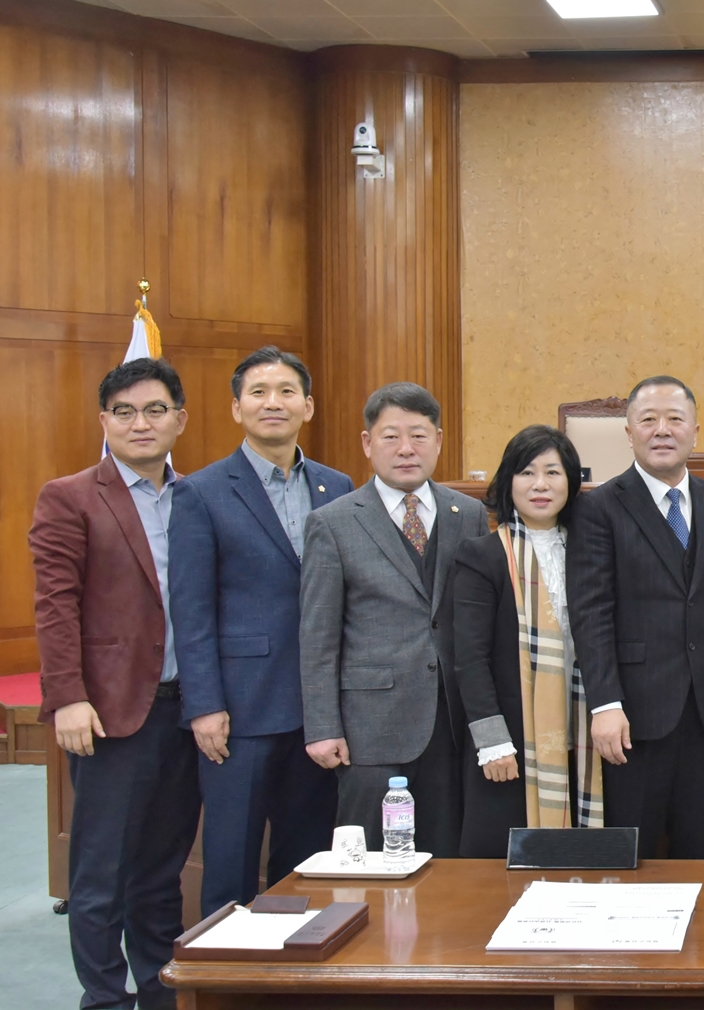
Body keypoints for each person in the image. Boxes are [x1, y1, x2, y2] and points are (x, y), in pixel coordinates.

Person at [30, 357, 201, 1010]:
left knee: (161, 875)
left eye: (155, 410)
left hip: (186, 712)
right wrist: (67, 695)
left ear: (179, 420)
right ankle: (103, 999)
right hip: (109, 715)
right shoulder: (70, 496)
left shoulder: (197, 496)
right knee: (100, 877)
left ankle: (159, 993)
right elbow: (54, 605)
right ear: (104, 421)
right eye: (125, 411)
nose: (140, 423)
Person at [168, 346, 352, 914]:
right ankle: (226, 991)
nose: (273, 403)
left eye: (286, 392)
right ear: (236, 408)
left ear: (309, 406)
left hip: (319, 710)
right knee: (230, 863)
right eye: (258, 392)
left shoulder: (337, 485)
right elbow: (190, 610)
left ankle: (294, 984)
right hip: (240, 711)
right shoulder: (200, 491)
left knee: (306, 863)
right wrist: (204, 705)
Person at [299, 382, 489, 857]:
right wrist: (323, 726)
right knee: (372, 864)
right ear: (368, 443)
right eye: (390, 437)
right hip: (371, 728)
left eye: (419, 436)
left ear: (439, 441)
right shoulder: (334, 521)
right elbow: (318, 635)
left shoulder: (467, 513)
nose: (406, 449)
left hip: (453, 722)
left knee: (448, 862)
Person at [568, 376, 704, 860]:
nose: (662, 430)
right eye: (649, 420)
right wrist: (605, 703)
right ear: (629, 432)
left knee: (701, 847)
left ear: (696, 431)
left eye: (675, 419)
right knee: (631, 854)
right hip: (632, 715)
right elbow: (591, 611)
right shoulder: (598, 507)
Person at [453, 425, 602, 857]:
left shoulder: (591, 550)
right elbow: (470, 659)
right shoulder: (482, 556)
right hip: (513, 739)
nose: (540, 485)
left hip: (585, 729)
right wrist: (492, 742)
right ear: (508, 482)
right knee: (503, 869)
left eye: (553, 473)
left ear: (572, 483)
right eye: (526, 472)